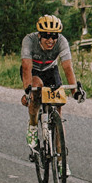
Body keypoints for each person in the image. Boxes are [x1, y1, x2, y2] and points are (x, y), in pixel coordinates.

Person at [20, 14, 79, 151]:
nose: (50, 40)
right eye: (46, 36)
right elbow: (26, 66)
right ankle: (33, 125)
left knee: (58, 109)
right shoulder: (29, 40)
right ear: (39, 35)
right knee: (36, 89)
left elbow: (67, 67)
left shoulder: (62, 41)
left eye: (54, 36)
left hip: (50, 70)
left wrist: (75, 92)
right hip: (33, 71)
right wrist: (28, 92)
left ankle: (60, 160)